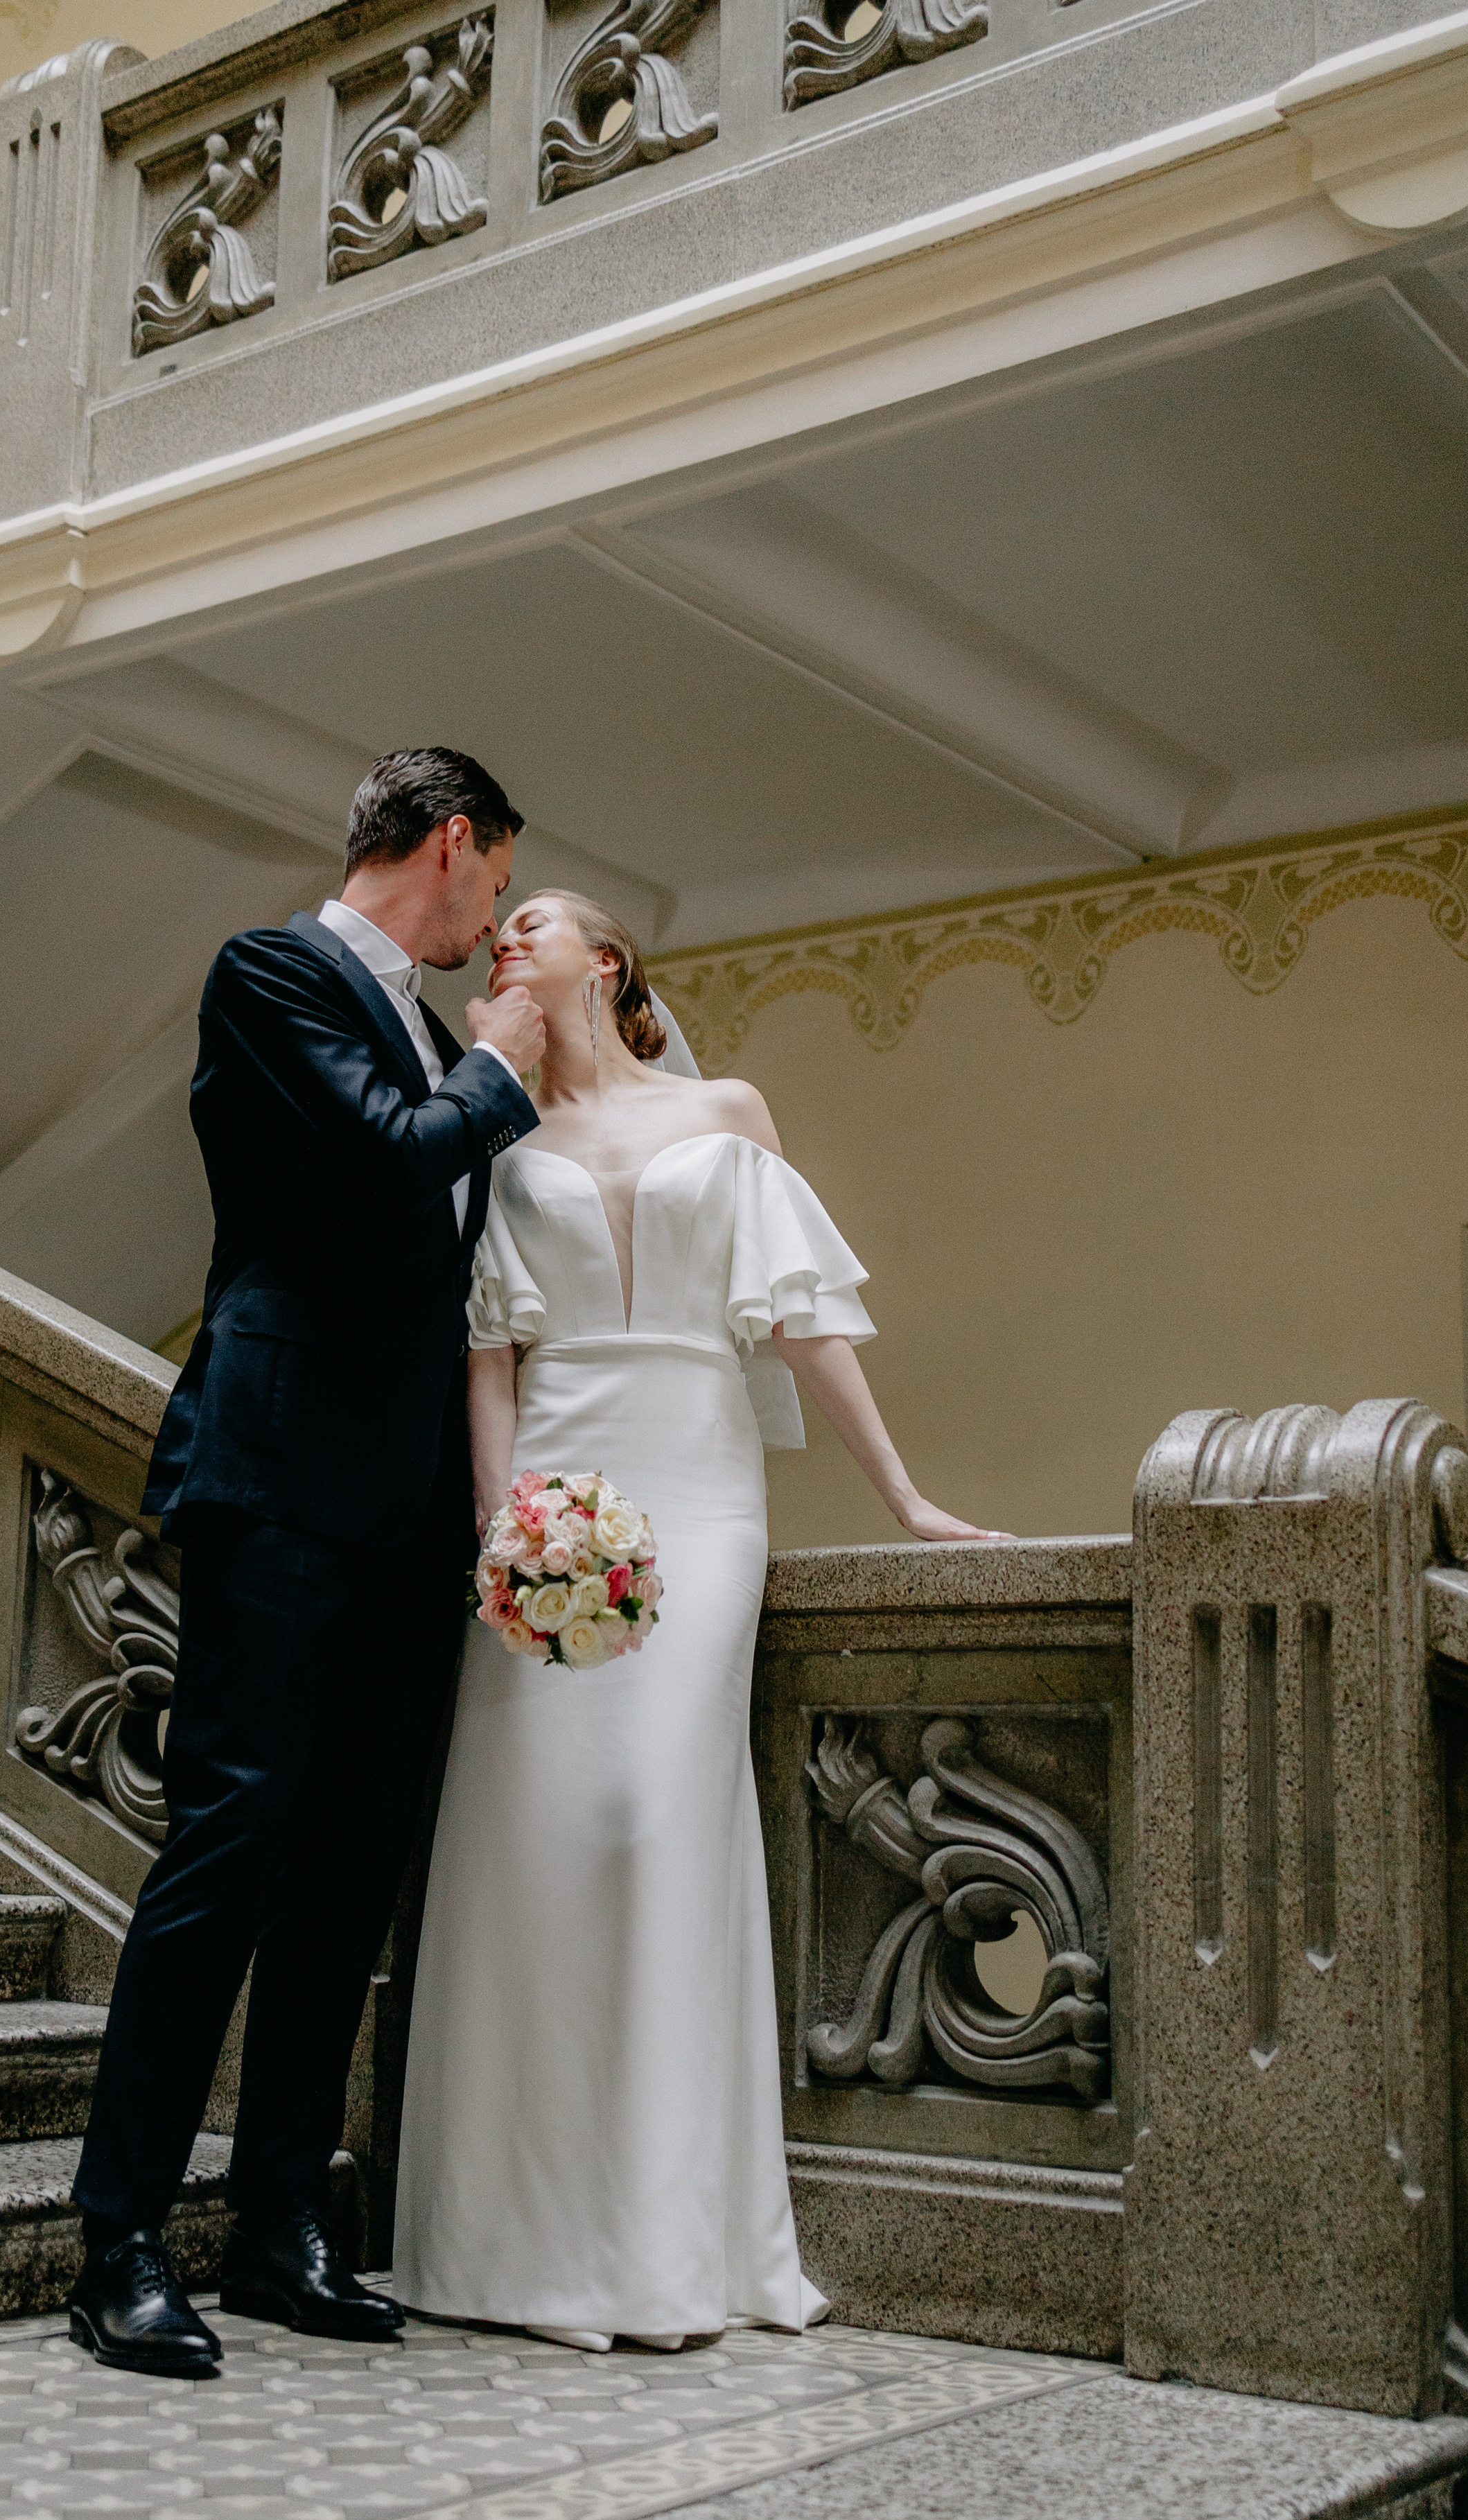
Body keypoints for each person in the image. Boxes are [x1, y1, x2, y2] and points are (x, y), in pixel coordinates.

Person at [393, 890, 1002, 2349]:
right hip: (552, 1485)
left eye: (528, 920)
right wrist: (500, 1526)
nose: (503, 936)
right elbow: (487, 1349)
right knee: (533, 1835)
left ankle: (670, 2246)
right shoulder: (490, 1126)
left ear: (604, 960)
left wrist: (905, 1495)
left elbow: (800, 1320)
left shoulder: (723, 1107)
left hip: (701, 1483)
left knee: (660, 1821)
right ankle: (509, 2246)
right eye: (495, 932)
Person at [67, 749, 547, 2374]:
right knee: (231, 1846)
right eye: (488, 878)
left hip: (411, 1504)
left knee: (348, 1875)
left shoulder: (423, 1023)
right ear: (457, 845)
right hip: (274, 1476)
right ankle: (120, 2237)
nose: (487, 915)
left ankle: (279, 2227)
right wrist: (496, 1069)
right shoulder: (273, 973)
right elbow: (372, 1158)